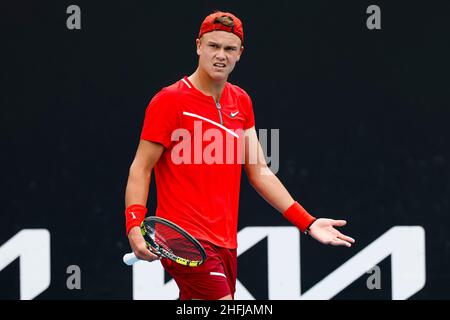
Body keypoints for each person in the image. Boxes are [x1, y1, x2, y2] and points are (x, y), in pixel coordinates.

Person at [124, 11, 355, 300]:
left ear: (240, 53)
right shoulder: (169, 101)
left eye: (229, 48)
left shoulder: (241, 102)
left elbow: (259, 172)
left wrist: (306, 222)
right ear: (198, 46)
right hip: (184, 240)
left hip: (225, 243)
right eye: (213, 46)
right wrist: (134, 226)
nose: (221, 55)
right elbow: (140, 169)